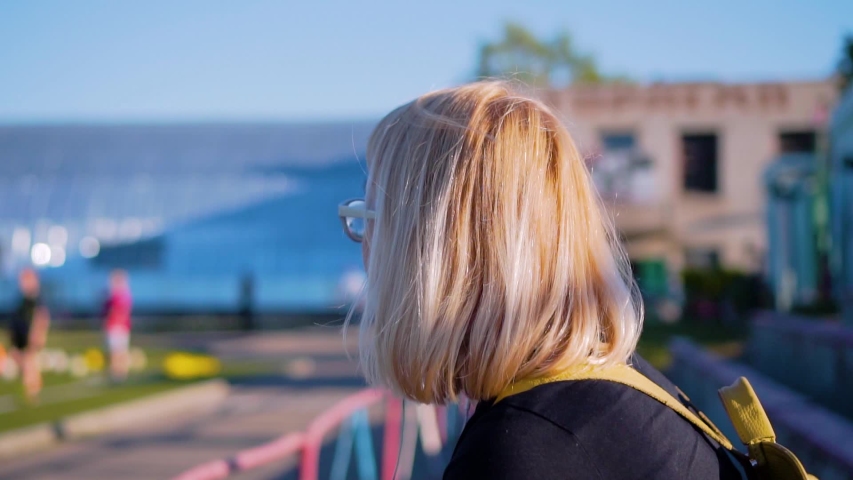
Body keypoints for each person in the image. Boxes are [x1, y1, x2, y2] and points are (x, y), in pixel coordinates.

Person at [337, 82, 749, 479]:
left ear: (432, 249)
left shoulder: (519, 452)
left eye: (373, 219)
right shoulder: (606, 390)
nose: (367, 247)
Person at [9, 268, 50, 402]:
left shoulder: (36, 299)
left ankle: (33, 392)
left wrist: (38, 334)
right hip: (21, 337)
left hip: (30, 337)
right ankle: (32, 391)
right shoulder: (25, 301)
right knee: (26, 363)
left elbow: (42, 317)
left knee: (29, 363)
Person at [103, 269, 132, 382]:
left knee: (117, 352)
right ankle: (119, 373)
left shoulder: (119, 297)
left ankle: (118, 374)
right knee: (119, 351)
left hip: (117, 327)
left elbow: (116, 312)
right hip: (120, 327)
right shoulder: (123, 296)